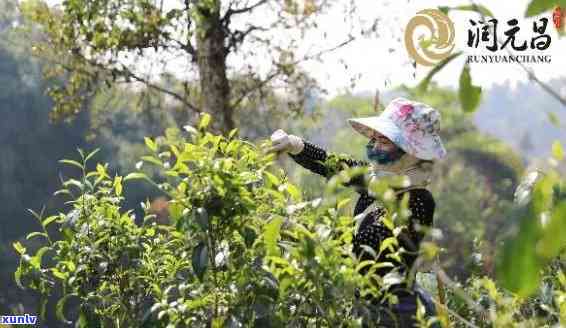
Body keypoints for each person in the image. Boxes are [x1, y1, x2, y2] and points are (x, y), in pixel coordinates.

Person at [268, 97, 446, 327]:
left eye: (383, 141)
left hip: (397, 314)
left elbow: (370, 252)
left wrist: (300, 232)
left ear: (411, 152)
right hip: (367, 308)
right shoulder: (378, 183)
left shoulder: (419, 200)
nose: (373, 146)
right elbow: (335, 166)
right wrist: (295, 144)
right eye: (373, 139)